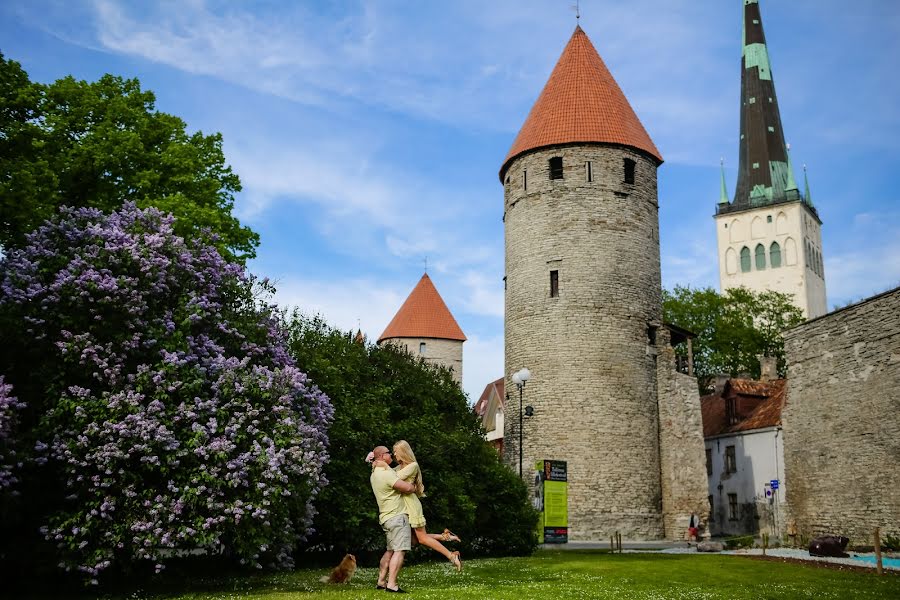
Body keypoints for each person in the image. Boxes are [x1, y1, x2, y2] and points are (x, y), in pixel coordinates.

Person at [374, 440, 462, 572]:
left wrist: (381, 465)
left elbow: (393, 477)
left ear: (403, 452)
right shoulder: (398, 467)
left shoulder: (412, 466)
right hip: (404, 507)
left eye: (396, 451)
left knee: (422, 538)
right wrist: (378, 465)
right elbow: (387, 475)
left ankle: (452, 556)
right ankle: (446, 537)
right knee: (415, 539)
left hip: (411, 505)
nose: (394, 454)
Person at [369, 444, 417, 593]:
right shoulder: (386, 474)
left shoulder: (375, 474)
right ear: (382, 456)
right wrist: (415, 487)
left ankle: (381, 581)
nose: (391, 455)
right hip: (397, 517)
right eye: (389, 453)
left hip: (385, 517)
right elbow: (407, 488)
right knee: (400, 550)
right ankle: (392, 585)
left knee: (390, 550)